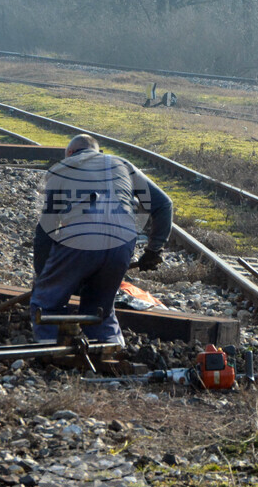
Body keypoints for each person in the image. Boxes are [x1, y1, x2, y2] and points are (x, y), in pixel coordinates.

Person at [31, 134, 173, 346]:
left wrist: (43, 276)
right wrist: (153, 250)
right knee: (100, 309)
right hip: (123, 243)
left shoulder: (62, 169)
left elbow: (47, 228)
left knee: (46, 304)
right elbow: (164, 204)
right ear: (99, 152)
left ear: (70, 153)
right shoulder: (121, 164)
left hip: (79, 240)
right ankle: (112, 350)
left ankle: (51, 351)